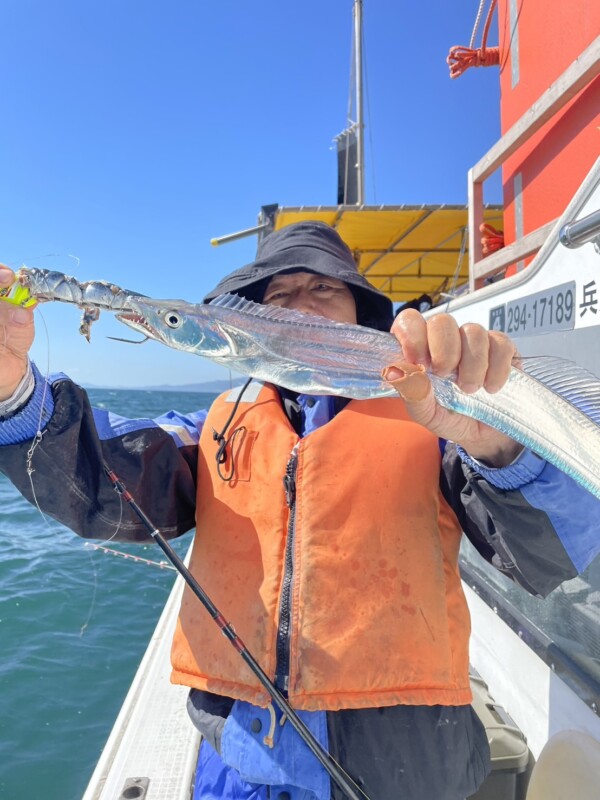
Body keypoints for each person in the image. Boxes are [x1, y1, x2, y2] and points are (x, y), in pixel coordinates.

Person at [0, 221, 598, 800]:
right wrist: (13, 393)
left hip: (405, 770)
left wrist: (497, 438)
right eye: (277, 296)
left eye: (322, 289)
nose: (298, 307)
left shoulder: (440, 424)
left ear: (361, 311)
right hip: (240, 766)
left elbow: (552, 556)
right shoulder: (213, 426)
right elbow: (104, 482)